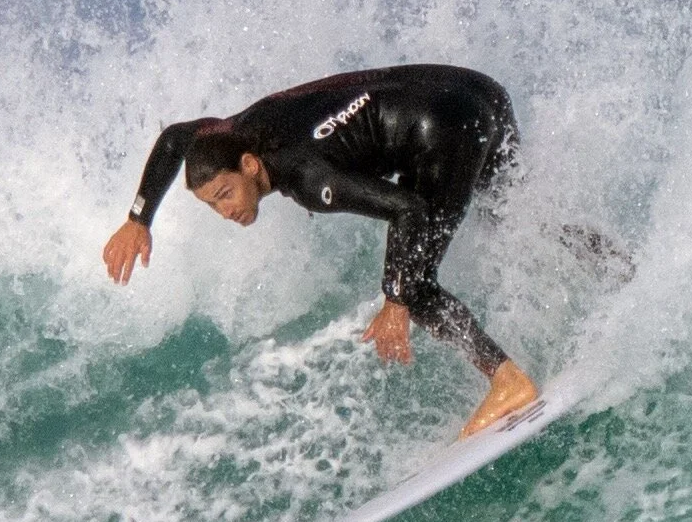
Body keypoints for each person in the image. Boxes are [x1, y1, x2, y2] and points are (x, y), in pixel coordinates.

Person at [102, 63, 539, 437]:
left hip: (448, 126)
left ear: (249, 165)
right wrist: (138, 218)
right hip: (476, 91)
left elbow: (409, 209)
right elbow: (176, 138)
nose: (225, 211)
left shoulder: (307, 178)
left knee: (414, 285)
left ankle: (508, 382)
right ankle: (587, 257)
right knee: (508, 219)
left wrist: (395, 299)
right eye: (212, 204)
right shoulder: (233, 133)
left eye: (225, 194)